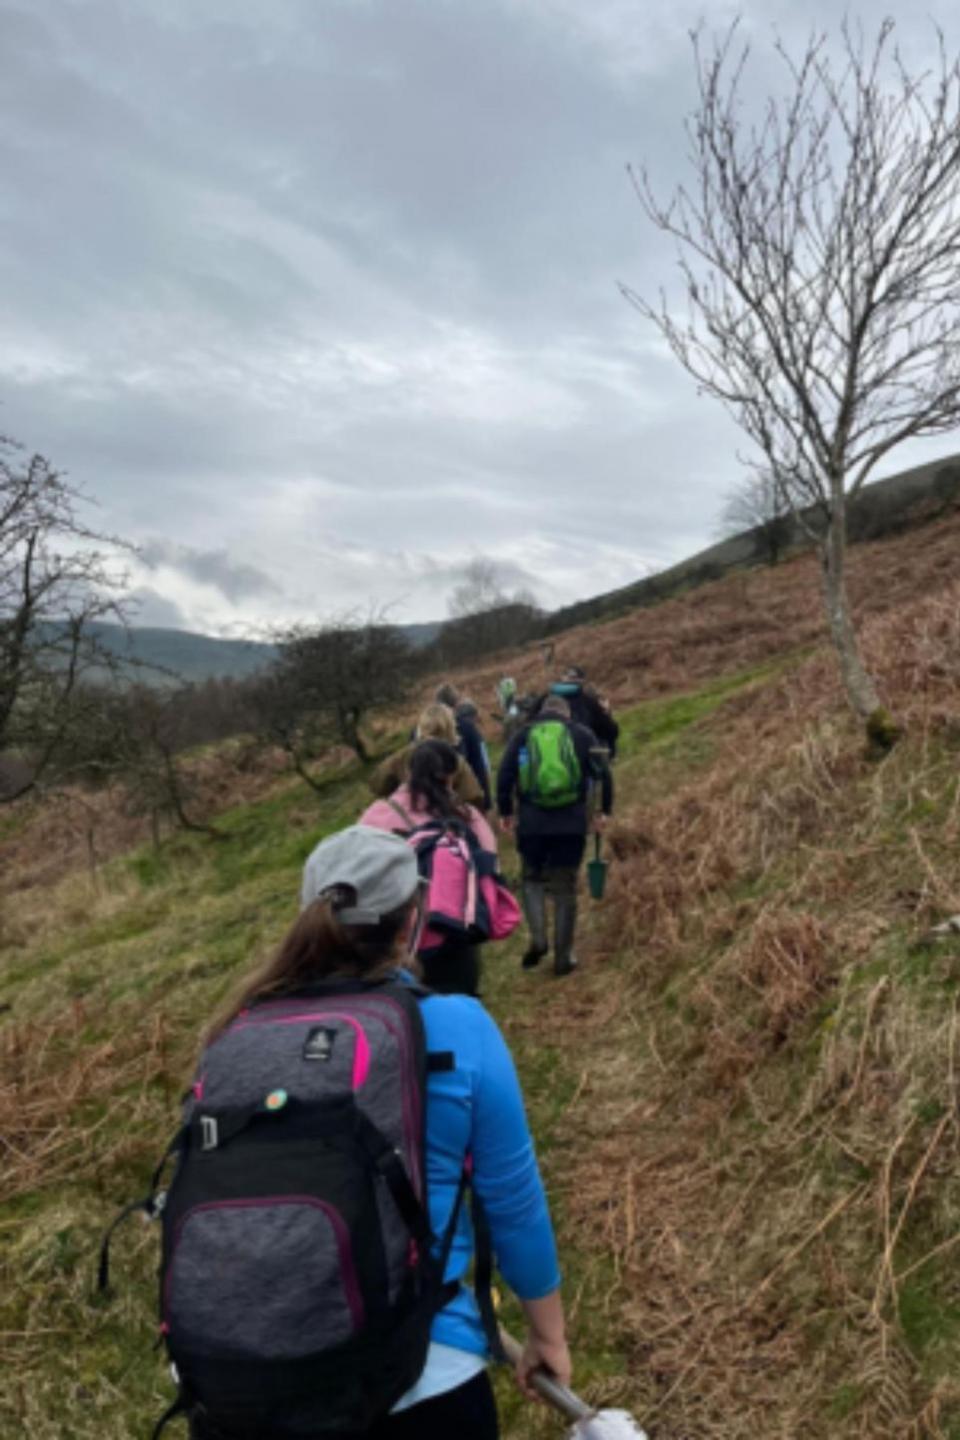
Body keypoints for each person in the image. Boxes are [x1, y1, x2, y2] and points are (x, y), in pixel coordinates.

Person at [189, 824, 569, 1439]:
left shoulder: (235, 1034)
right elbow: (512, 1202)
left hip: (248, 1389)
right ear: (411, 921)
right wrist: (547, 1336)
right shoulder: (458, 1026)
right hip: (424, 1378)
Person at [360, 740, 497, 996]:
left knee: (406, 1018)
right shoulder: (466, 816)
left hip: (397, 938)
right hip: (453, 933)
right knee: (456, 1008)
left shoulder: (377, 815)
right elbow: (489, 862)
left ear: (407, 772)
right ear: (451, 777)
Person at [497, 695, 613, 977]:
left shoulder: (522, 735)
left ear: (540, 713)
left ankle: (538, 939)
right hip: (571, 824)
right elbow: (604, 774)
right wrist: (602, 811)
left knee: (532, 879)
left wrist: (506, 812)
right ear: (566, 714)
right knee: (565, 888)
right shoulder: (582, 735)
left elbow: (504, 774)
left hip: (532, 824)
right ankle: (563, 957)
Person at [369, 703, 484, 807]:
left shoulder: (401, 757)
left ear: (422, 727)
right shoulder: (456, 761)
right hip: (444, 821)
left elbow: (377, 784)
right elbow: (474, 798)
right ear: (450, 728)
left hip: (409, 818)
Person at [435, 683, 491, 810]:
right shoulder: (467, 727)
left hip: (431, 801)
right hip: (464, 798)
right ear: (456, 704)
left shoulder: (419, 730)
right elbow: (481, 765)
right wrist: (486, 801)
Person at [548, 664, 620, 759]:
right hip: (582, 756)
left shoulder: (544, 699)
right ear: (582, 682)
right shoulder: (588, 701)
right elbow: (610, 731)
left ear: (562, 679)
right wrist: (607, 713)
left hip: (551, 757)